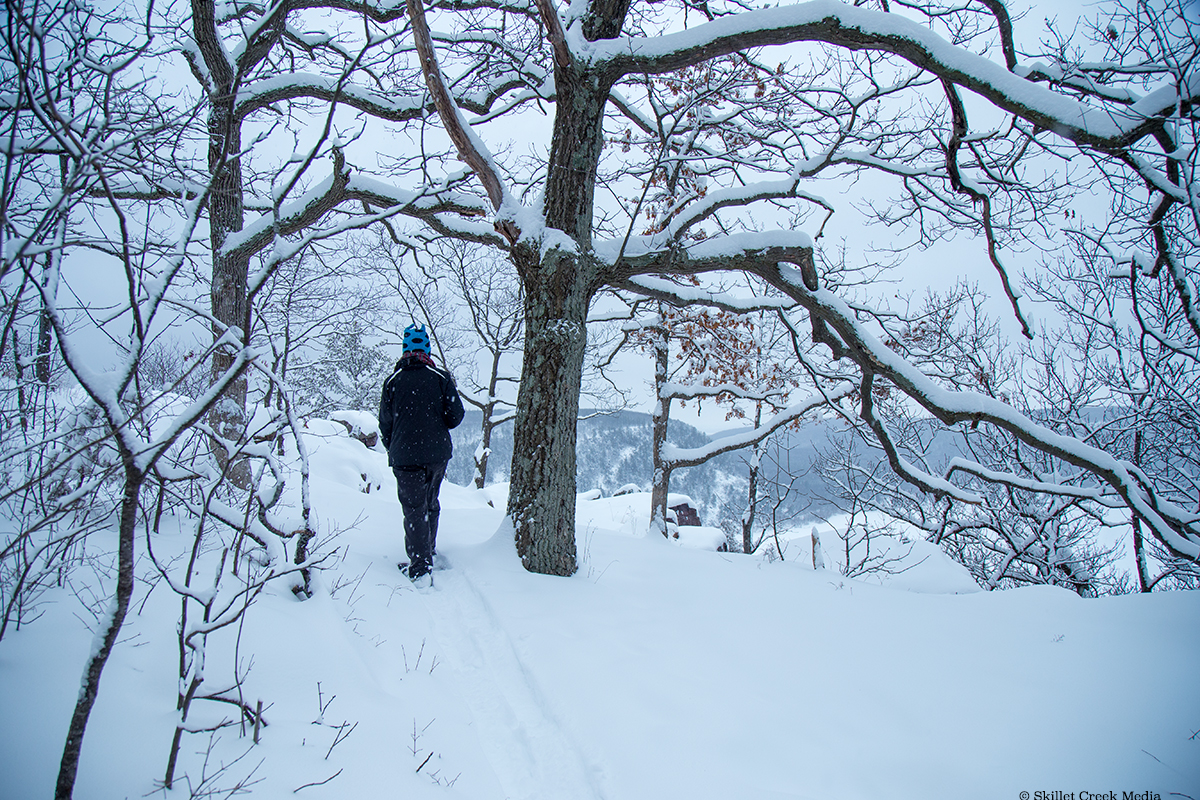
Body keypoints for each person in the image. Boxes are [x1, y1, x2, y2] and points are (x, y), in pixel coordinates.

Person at [378, 323, 465, 583]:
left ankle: (420, 564)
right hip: (436, 455)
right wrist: (438, 425)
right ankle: (429, 550)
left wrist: (392, 445)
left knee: (414, 508)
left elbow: (385, 423)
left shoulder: (393, 381)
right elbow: (456, 415)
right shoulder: (440, 378)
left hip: (404, 457)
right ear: (427, 348)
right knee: (430, 502)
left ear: (405, 349)